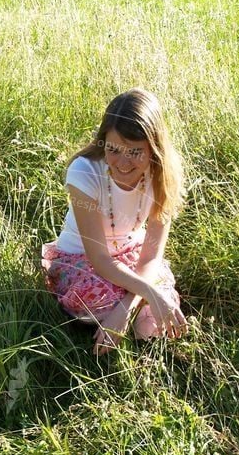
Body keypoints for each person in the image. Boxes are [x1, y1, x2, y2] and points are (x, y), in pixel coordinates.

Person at [42, 88, 188, 354]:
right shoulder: (84, 172)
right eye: (113, 149)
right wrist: (148, 294)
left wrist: (128, 307)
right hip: (83, 258)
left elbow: (150, 258)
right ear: (102, 142)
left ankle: (135, 323)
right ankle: (124, 317)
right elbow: (98, 257)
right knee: (98, 301)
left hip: (131, 256)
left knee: (151, 316)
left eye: (135, 152)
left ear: (153, 149)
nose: (122, 162)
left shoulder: (162, 176)